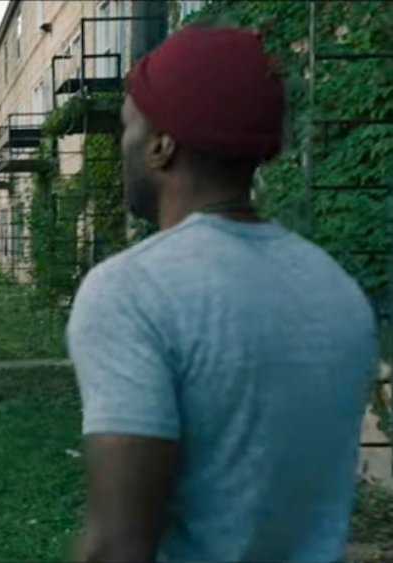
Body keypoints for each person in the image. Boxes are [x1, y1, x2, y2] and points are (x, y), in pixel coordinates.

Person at [67, 25, 377, 562]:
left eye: (127, 128)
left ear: (162, 146)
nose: (122, 146)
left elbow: (118, 546)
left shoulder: (132, 291)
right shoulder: (336, 289)